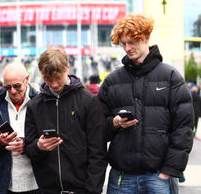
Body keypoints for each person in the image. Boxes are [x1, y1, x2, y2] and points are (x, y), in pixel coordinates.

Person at [97, 13, 194, 194]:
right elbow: (95, 126)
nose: (127, 48)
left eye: (132, 42)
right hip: (121, 177)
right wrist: (114, 123)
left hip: (158, 176)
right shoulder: (112, 81)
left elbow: (184, 128)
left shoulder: (171, 77)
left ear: (146, 37)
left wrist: (168, 171)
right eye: (123, 43)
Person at [25, 47, 108, 193]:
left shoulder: (88, 102)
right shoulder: (34, 106)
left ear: (68, 68)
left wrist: (92, 190)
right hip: (47, 189)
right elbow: (29, 149)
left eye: (58, 78)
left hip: (82, 190)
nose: (54, 84)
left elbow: (98, 152)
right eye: (48, 79)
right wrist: (39, 146)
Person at [0, 62, 39, 194]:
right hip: (5, 184)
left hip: (38, 182)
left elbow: (50, 141)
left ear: (27, 80)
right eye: (8, 87)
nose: (13, 91)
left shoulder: (41, 103)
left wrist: (26, 145)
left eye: (17, 86)